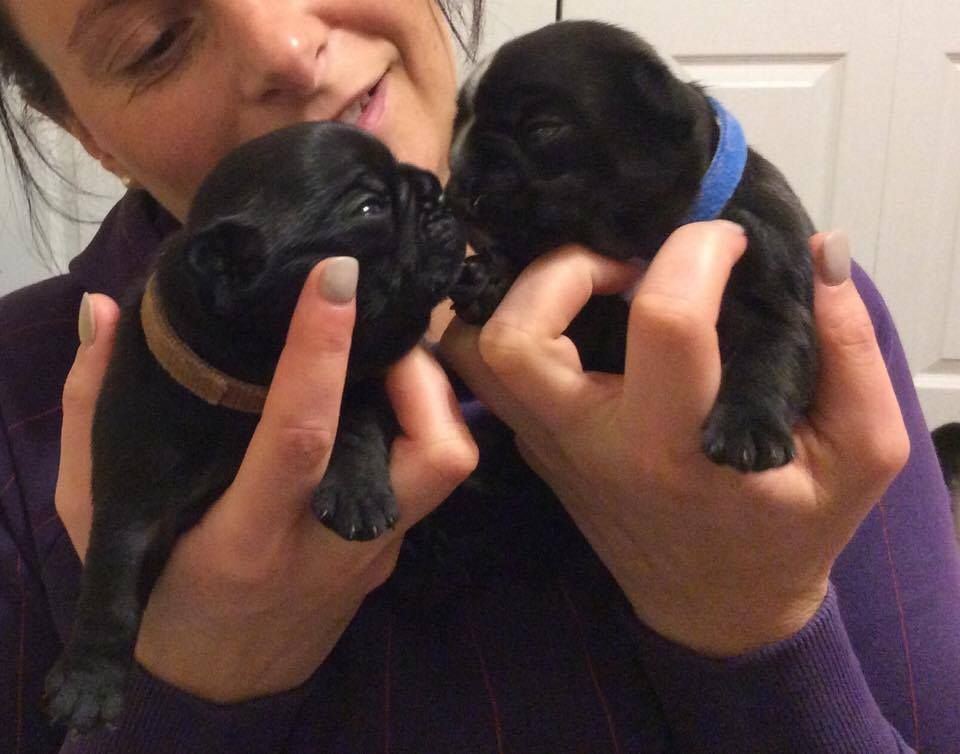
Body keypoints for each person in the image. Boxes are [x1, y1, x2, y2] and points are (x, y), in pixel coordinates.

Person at [0, 1, 957, 752]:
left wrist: (755, 618)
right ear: (86, 131)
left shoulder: (747, 310)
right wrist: (189, 686)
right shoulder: (23, 402)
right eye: (155, 40)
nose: (288, 46)